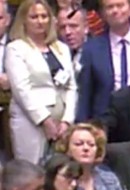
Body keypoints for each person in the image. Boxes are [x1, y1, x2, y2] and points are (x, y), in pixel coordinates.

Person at [5, 0, 76, 165]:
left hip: (61, 121)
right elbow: (22, 89)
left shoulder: (61, 48)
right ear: (24, 20)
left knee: (60, 169)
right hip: (30, 123)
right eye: (34, 17)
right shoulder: (16, 48)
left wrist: (67, 120)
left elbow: (71, 87)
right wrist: (45, 120)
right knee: (32, 171)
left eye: (44, 16)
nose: (40, 21)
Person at [75, 0, 130, 121]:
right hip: (104, 119)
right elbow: (85, 93)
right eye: (110, 7)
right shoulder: (92, 49)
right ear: (103, 14)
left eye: (120, 5)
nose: (115, 10)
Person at [56, 124, 130, 190]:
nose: (86, 148)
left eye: (91, 145)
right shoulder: (61, 181)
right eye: (79, 144)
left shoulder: (109, 179)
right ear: (67, 149)